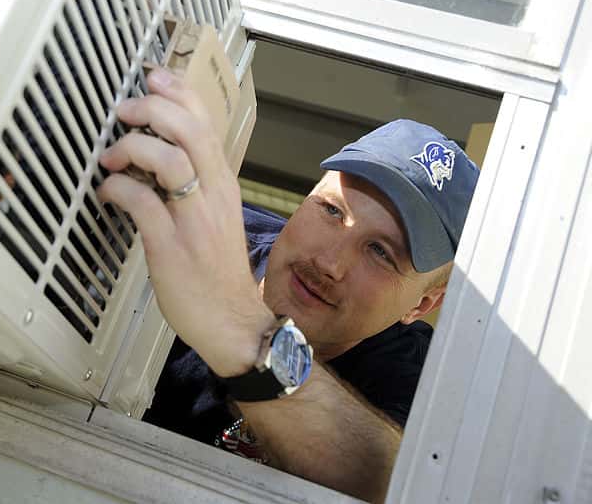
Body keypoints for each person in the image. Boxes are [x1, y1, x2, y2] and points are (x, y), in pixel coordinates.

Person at [97, 67, 479, 503]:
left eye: (381, 252)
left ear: (423, 303)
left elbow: (392, 483)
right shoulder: (204, 231)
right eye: (332, 210)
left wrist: (247, 334)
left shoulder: (425, 381)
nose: (329, 262)